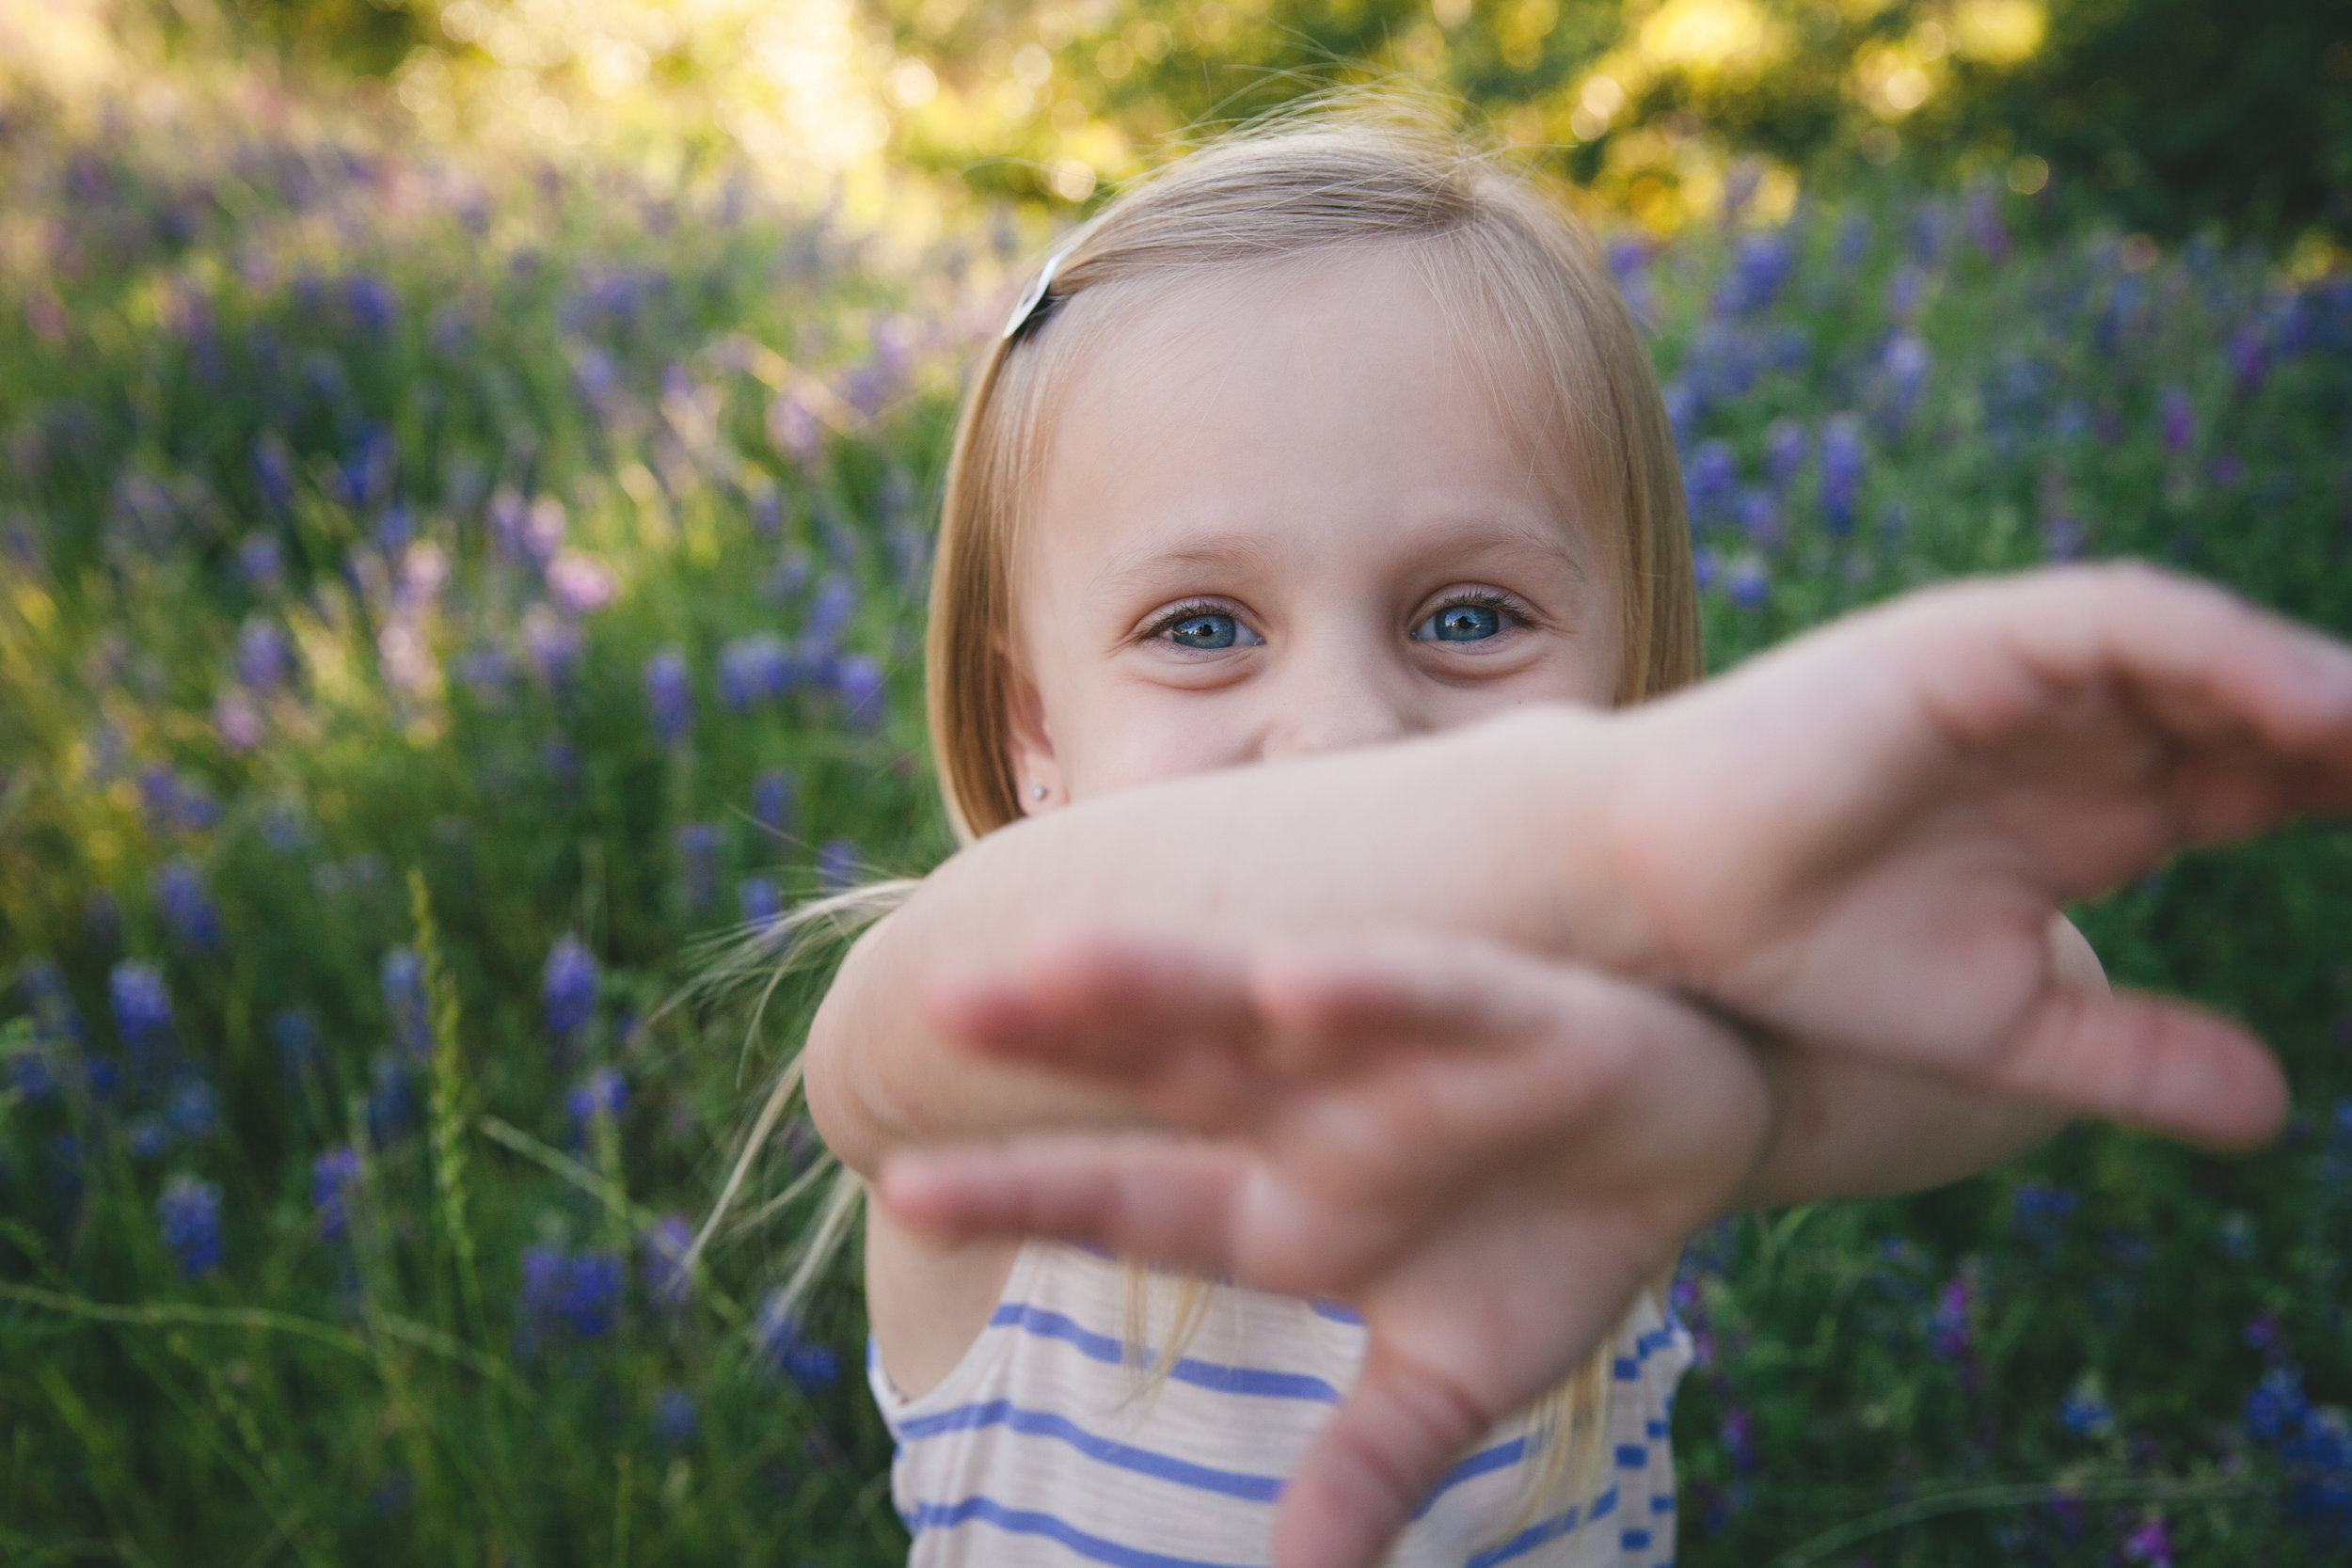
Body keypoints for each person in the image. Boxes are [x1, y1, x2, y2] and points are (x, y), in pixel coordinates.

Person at [718, 115, 2352, 1568]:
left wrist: (1743, 1024)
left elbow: (2030, 1017)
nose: (1347, 733)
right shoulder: (993, 1115)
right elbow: (914, 1015)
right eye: (1205, 627)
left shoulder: (1596, 1085)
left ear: (1629, 697)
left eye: (1469, 616)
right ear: (1035, 737)